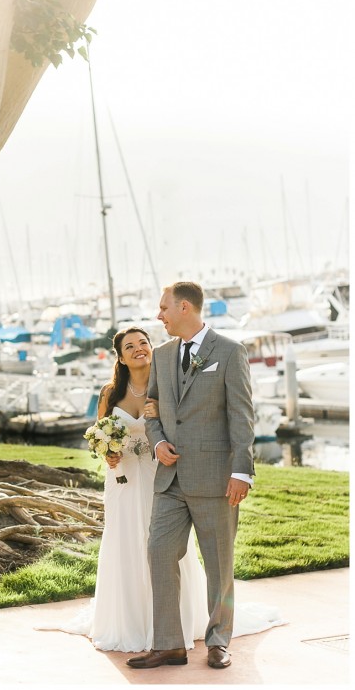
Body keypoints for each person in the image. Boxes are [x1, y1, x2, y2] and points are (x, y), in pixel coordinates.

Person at [51, 325, 210, 652]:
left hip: (160, 475)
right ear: (121, 358)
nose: (139, 349)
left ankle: (176, 621)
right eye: (130, 346)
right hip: (122, 478)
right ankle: (129, 621)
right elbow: (99, 433)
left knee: (162, 543)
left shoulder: (167, 384)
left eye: (143, 343)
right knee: (126, 541)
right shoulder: (110, 393)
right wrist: (106, 451)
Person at [126, 281, 255, 671]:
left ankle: (218, 641)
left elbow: (242, 416)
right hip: (169, 479)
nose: (158, 315)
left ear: (184, 308)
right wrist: (159, 440)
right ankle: (169, 645)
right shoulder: (163, 356)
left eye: (163, 308)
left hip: (217, 478)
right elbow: (154, 409)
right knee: (159, 552)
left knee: (219, 563)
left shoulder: (230, 352)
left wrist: (241, 471)